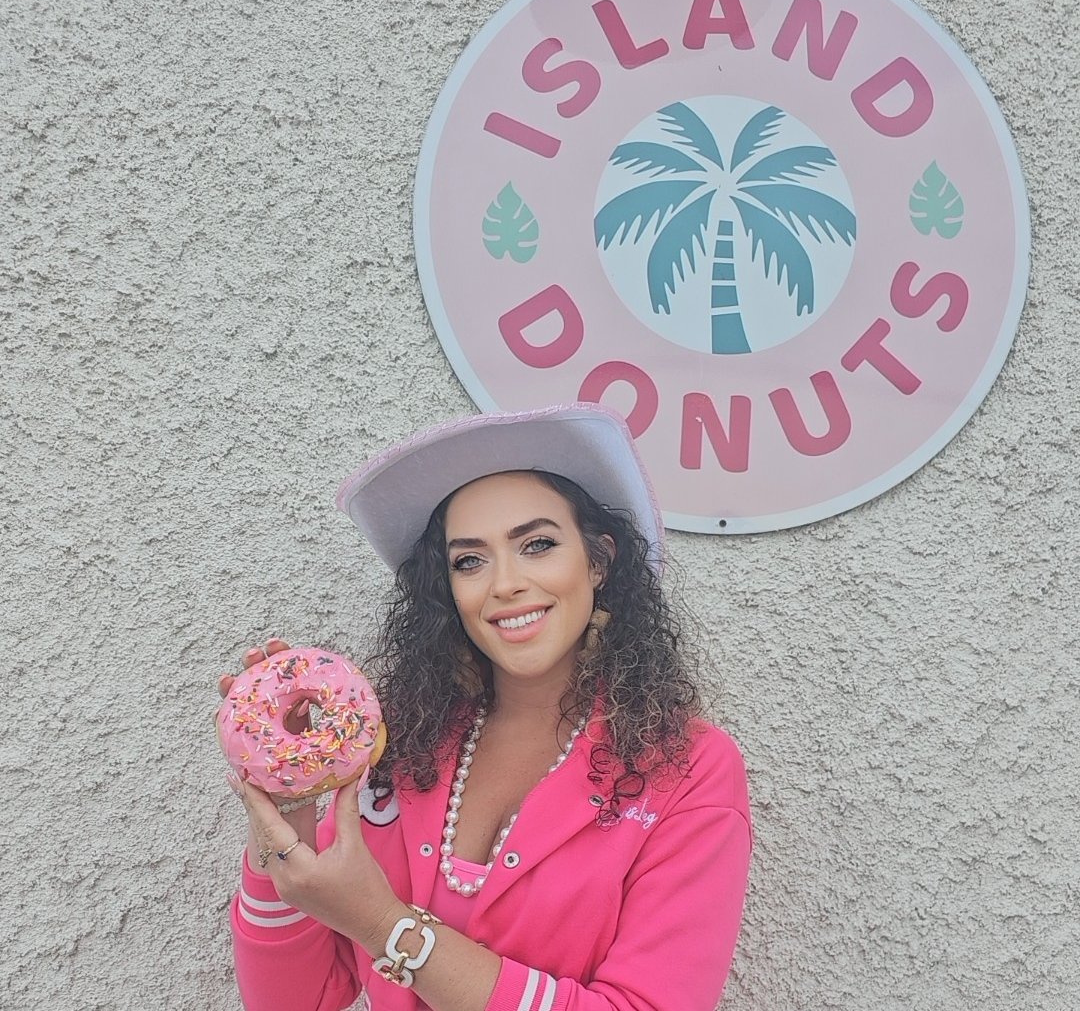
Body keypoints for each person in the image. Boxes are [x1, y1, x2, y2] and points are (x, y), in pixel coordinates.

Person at [220, 403, 751, 1011]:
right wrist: (286, 810)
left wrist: (384, 924)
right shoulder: (395, 746)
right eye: (469, 560)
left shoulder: (685, 768)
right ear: (447, 588)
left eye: (538, 545)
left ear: (598, 562)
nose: (504, 584)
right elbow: (298, 1000)